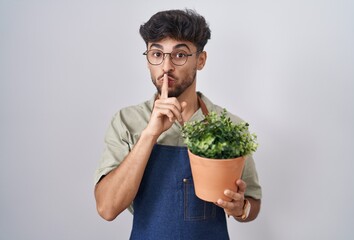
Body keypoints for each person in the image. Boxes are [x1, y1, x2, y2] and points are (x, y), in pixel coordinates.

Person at [94, 9, 262, 239]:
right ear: (147, 59)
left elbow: (253, 201)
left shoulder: (229, 128)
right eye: (156, 54)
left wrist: (242, 208)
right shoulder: (126, 122)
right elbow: (107, 208)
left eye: (180, 55)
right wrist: (150, 134)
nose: (166, 66)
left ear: (200, 60)